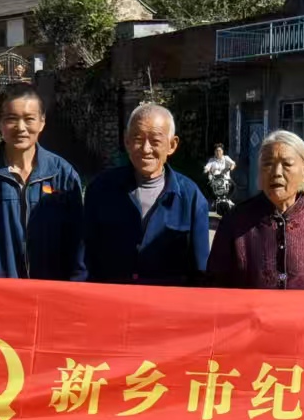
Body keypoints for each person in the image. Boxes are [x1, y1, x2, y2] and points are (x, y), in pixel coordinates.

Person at [0, 82, 86, 281]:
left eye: (29, 119)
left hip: (50, 292)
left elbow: (78, 246)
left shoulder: (62, 175)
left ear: (42, 121)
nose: (21, 128)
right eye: (11, 119)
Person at [205, 131, 304, 290]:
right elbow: (215, 284)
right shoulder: (234, 221)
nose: (276, 172)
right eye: (268, 164)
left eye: (287, 164)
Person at [82, 103, 211, 285]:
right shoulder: (100, 190)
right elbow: (84, 259)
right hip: (111, 299)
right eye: (138, 139)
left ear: (172, 145)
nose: (145, 149)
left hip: (165, 302)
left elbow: (200, 272)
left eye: (155, 141)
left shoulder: (191, 198)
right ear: (127, 142)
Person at [203, 143, 237, 212]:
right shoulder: (211, 160)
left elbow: (233, 163)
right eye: (216, 151)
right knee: (208, 186)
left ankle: (228, 199)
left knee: (233, 185)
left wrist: (231, 167)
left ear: (222, 151)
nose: (218, 152)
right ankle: (214, 200)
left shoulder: (226, 158)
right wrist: (206, 170)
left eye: (219, 150)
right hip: (215, 179)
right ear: (214, 152)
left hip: (226, 178)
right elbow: (207, 167)